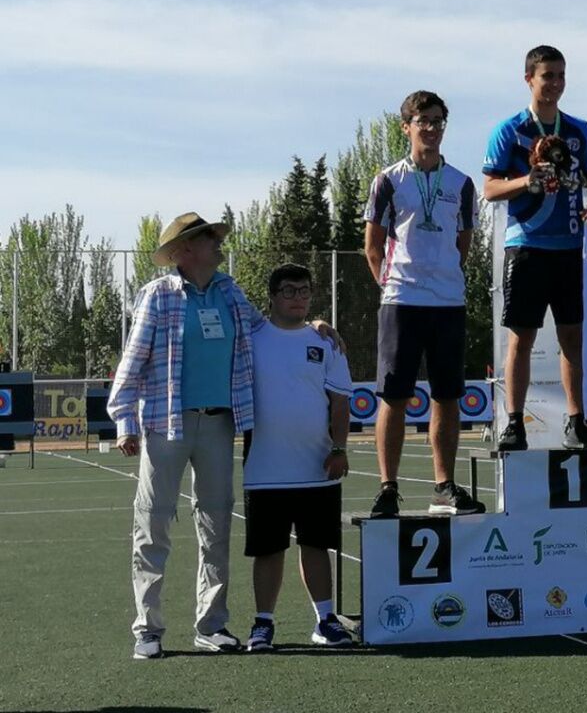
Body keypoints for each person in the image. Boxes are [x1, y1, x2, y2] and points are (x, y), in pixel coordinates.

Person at [109, 212, 338, 660]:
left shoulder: (230, 291)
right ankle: (148, 630)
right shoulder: (157, 296)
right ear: (184, 251)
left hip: (220, 425)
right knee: (153, 528)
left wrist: (311, 325)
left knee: (215, 528)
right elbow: (131, 363)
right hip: (165, 425)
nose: (218, 243)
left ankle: (211, 625)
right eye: (209, 238)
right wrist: (125, 423)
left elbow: (263, 330)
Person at [483, 45, 587, 452]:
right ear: (529, 80)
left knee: (573, 338)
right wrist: (527, 181)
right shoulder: (510, 129)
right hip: (527, 245)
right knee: (521, 339)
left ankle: (577, 422)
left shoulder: (580, 130)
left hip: (570, 247)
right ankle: (515, 423)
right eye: (547, 76)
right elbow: (489, 189)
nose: (555, 83)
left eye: (560, 75)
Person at [364, 90, 485, 518]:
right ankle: (388, 487)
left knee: (447, 396)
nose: (431, 128)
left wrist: (442, 278)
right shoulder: (388, 179)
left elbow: (463, 244)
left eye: (437, 121)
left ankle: (443, 485)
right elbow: (373, 245)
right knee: (393, 396)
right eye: (423, 121)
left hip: (448, 303)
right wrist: (392, 284)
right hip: (401, 300)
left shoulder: (462, 183)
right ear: (407, 127)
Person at [242, 263, 353, 651]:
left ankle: (325, 620)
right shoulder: (250, 339)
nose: (298, 298)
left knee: (316, 545)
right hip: (264, 470)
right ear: (272, 296)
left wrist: (339, 448)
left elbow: (340, 404)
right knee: (268, 550)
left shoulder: (327, 342)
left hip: (317, 467)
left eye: (304, 291)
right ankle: (263, 624)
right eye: (289, 291)